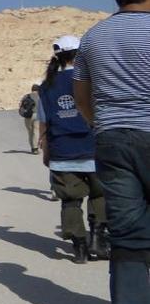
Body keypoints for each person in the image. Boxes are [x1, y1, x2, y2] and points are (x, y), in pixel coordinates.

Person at [74, 0, 150, 304]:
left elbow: (82, 93)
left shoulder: (93, 38)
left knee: (129, 231)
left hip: (113, 140)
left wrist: (99, 124)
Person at [37, 35, 107, 264]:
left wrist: (46, 151)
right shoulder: (90, 79)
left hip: (62, 152)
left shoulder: (46, 87)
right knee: (100, 194)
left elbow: (44, 122)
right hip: (93, 149)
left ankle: (79, 249)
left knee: (70, 201)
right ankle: (97, 239)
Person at [19, 84, 40, 154]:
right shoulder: (41, 96)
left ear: (32, 89)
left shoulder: (26, 96)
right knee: (36, 131)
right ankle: (35, 148)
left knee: (30, 132)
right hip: (37, 115)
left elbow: (20, 105)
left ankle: (32, 147)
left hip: (28, 116)